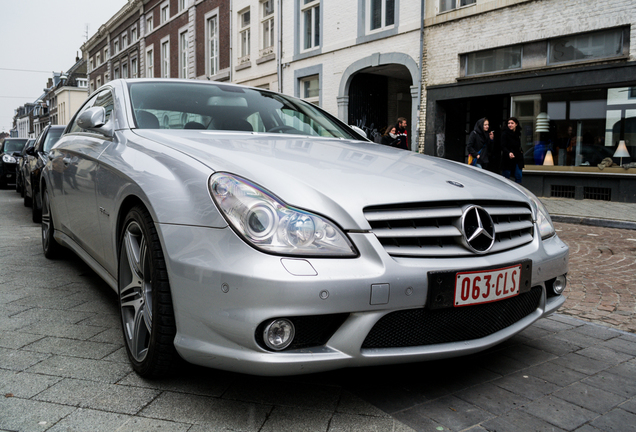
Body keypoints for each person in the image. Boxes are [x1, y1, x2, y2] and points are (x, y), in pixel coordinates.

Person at [501, 117, 524, 183]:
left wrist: (521, 150)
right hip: (508, 158)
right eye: (509, 123)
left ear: (516, 124)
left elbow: (518, 145)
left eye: (512, 123)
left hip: (517, 157)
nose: (510, 125)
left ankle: (518, 191)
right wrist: (508, 152)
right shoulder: (505, 134)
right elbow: (503, 146)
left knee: (518, 175)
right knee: (506, 177)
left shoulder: (518, 133)